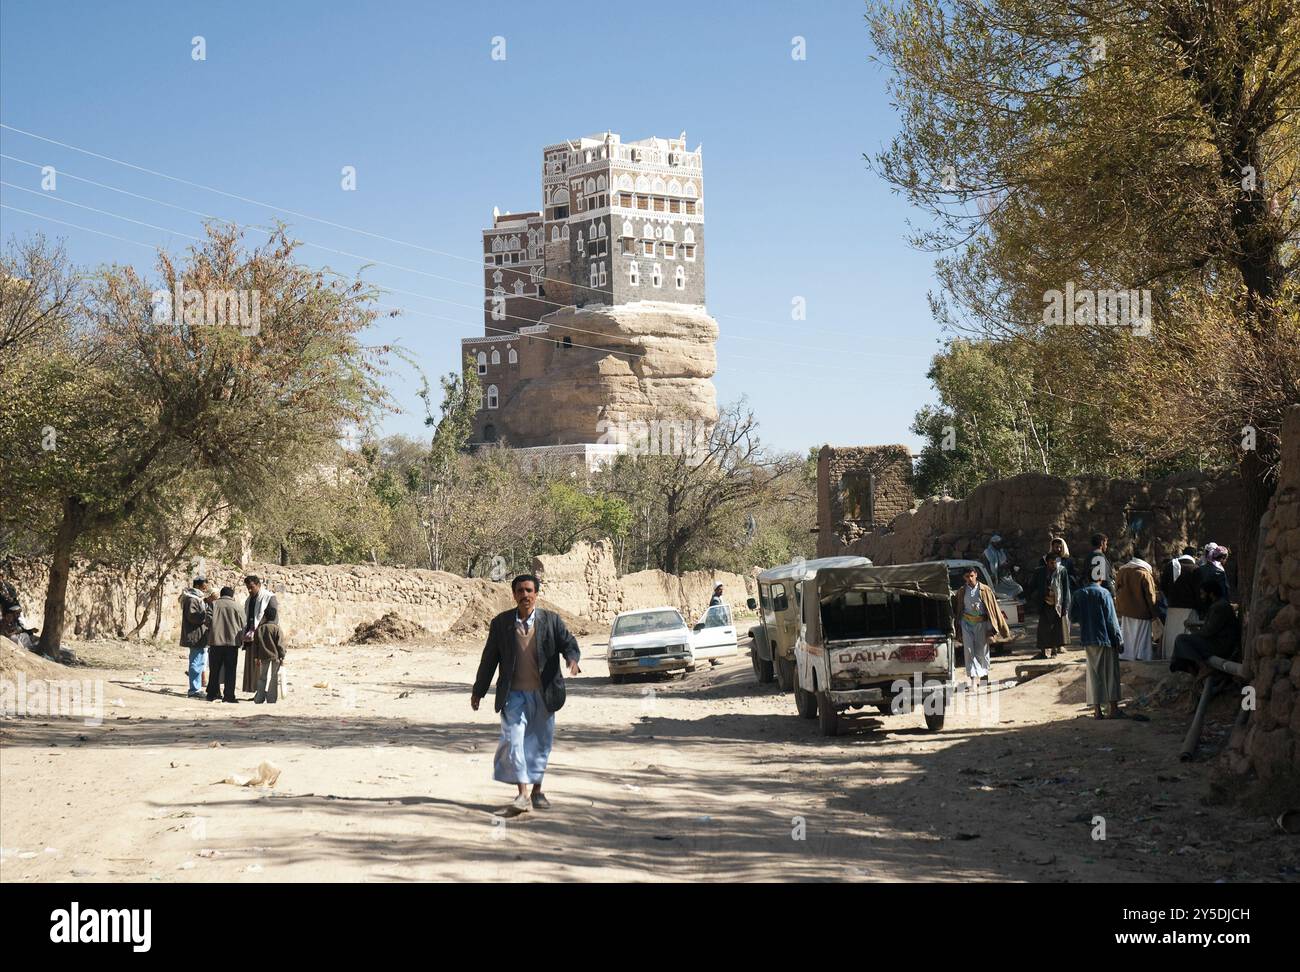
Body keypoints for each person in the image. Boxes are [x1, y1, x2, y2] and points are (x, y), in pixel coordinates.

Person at [471, 574, 582, 816]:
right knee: (514, 740)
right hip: (514, 695)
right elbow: (489, 659)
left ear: (536, 594)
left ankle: (537, 791)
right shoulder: (501, 624)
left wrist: (572, 659)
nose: (525, 595)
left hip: (544, 694)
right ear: (513, 595)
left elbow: (568, 643)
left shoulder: (551, 621)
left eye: (529, 590)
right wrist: (478, 690)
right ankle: (522, 794)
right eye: (520, 591)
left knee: (540, 744)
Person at [1070, 574, 1125, 719]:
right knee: (1111, 674)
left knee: (1094, 675)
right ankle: (1113, 709)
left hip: (1088, 638)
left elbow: (1072, 617)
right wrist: (1118, 639)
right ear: (1099, 578)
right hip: (1105, 638)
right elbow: (1111, 619)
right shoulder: (1104, 593)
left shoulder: (1078, 594)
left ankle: (1097, 711)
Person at [950, 565, 1010, 692]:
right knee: (969, 651)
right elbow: (957, 608)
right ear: (964, 578)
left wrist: (993, 627)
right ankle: (972, 681)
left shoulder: (985, 590)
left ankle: (984, 677)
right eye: (967, 577)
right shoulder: (961, 591)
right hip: (966, 624)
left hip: (982, 624)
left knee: (982, 651)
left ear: (976, 575)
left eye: (972, 576)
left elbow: (993, 609)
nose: (970, 579)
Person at [1170, 579, 1241, 676]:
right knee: (1184, 641)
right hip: (1217, 642)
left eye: (1203, 594)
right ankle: (1194, 670)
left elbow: (1208, 631)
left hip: (1221, 646)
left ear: (1211, 594)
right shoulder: (1218, 605)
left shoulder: (1219, 607)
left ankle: (1202, 666)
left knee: (1181, 639)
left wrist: (1195, 633)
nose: (1201, 597)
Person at [1027, 550, 1073, 658]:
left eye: (1056, 562)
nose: (1054, 565)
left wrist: (1065, 605)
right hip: (1045, 603)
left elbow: (1065, 589)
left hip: (1058, 603)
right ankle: (1043, 652)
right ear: (1047, 563)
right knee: (1043, 628)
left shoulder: (1062, 571)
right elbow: (1032, 586)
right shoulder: (1040, 572)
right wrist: (1028, 596)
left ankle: (1054, 651)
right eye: (1051, 563)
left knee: (1057, 628)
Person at [1114, 553, 1158, 661]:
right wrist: (1154, 613)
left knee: (1127, 634)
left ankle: (1126, 654)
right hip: (1142, 611)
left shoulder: (1122, 571)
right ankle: (1142, 655)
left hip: (1126, 611)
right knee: (1142, 636)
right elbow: (1150, 595)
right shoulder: (1144, 573)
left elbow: (1117, 589)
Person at [241, 576, 278, 694]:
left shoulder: (268, 598)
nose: (250, 591)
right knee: (253, 665)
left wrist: (265, 634)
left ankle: (262, 692)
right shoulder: (249, 600)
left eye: (252, 587)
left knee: (263, 665)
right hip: (251, 636)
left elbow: (273, 619)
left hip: (263, 637)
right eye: (248, 588)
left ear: (258, 585)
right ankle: (256, 690)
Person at [206, 586, 243, 703]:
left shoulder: (214, 604)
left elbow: (207, 620)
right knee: (230, 670)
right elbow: (244, 623)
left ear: (221, 594)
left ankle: (212, 694)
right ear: (232, 595)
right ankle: (229, 695)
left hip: (215, 643)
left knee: (214, 669)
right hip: (232, 643)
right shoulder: (238, 606)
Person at [178, 578, 214, 698]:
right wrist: (207, 613)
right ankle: (194, 690)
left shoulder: (197, 599)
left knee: (200, 662)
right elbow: (193, 617)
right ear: (197, 586)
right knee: (196, 662)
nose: (205, 589)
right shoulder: (192, 599)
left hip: (199, 636)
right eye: (204, 587)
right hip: (195, 636)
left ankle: (196, 688)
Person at [1161, 550, 1200, 648]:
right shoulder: (1196, 569)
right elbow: (1198, 591)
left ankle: (1169, 654)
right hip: (1189, 609)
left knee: (1172, 633)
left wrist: (1170, 598)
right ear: (1194, 556)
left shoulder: (1170, 566)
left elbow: (1163, 587)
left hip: (1172, 608)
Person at [252, 615, 286, 704]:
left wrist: (256, 657)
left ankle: (259, 698)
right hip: (275, 656)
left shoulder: (260, 629)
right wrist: (282, 657)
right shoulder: (277, 629)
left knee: (262, 677)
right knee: (274, 677)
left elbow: (255, 645)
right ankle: (271, 698)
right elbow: (280, 645)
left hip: (263, 656)